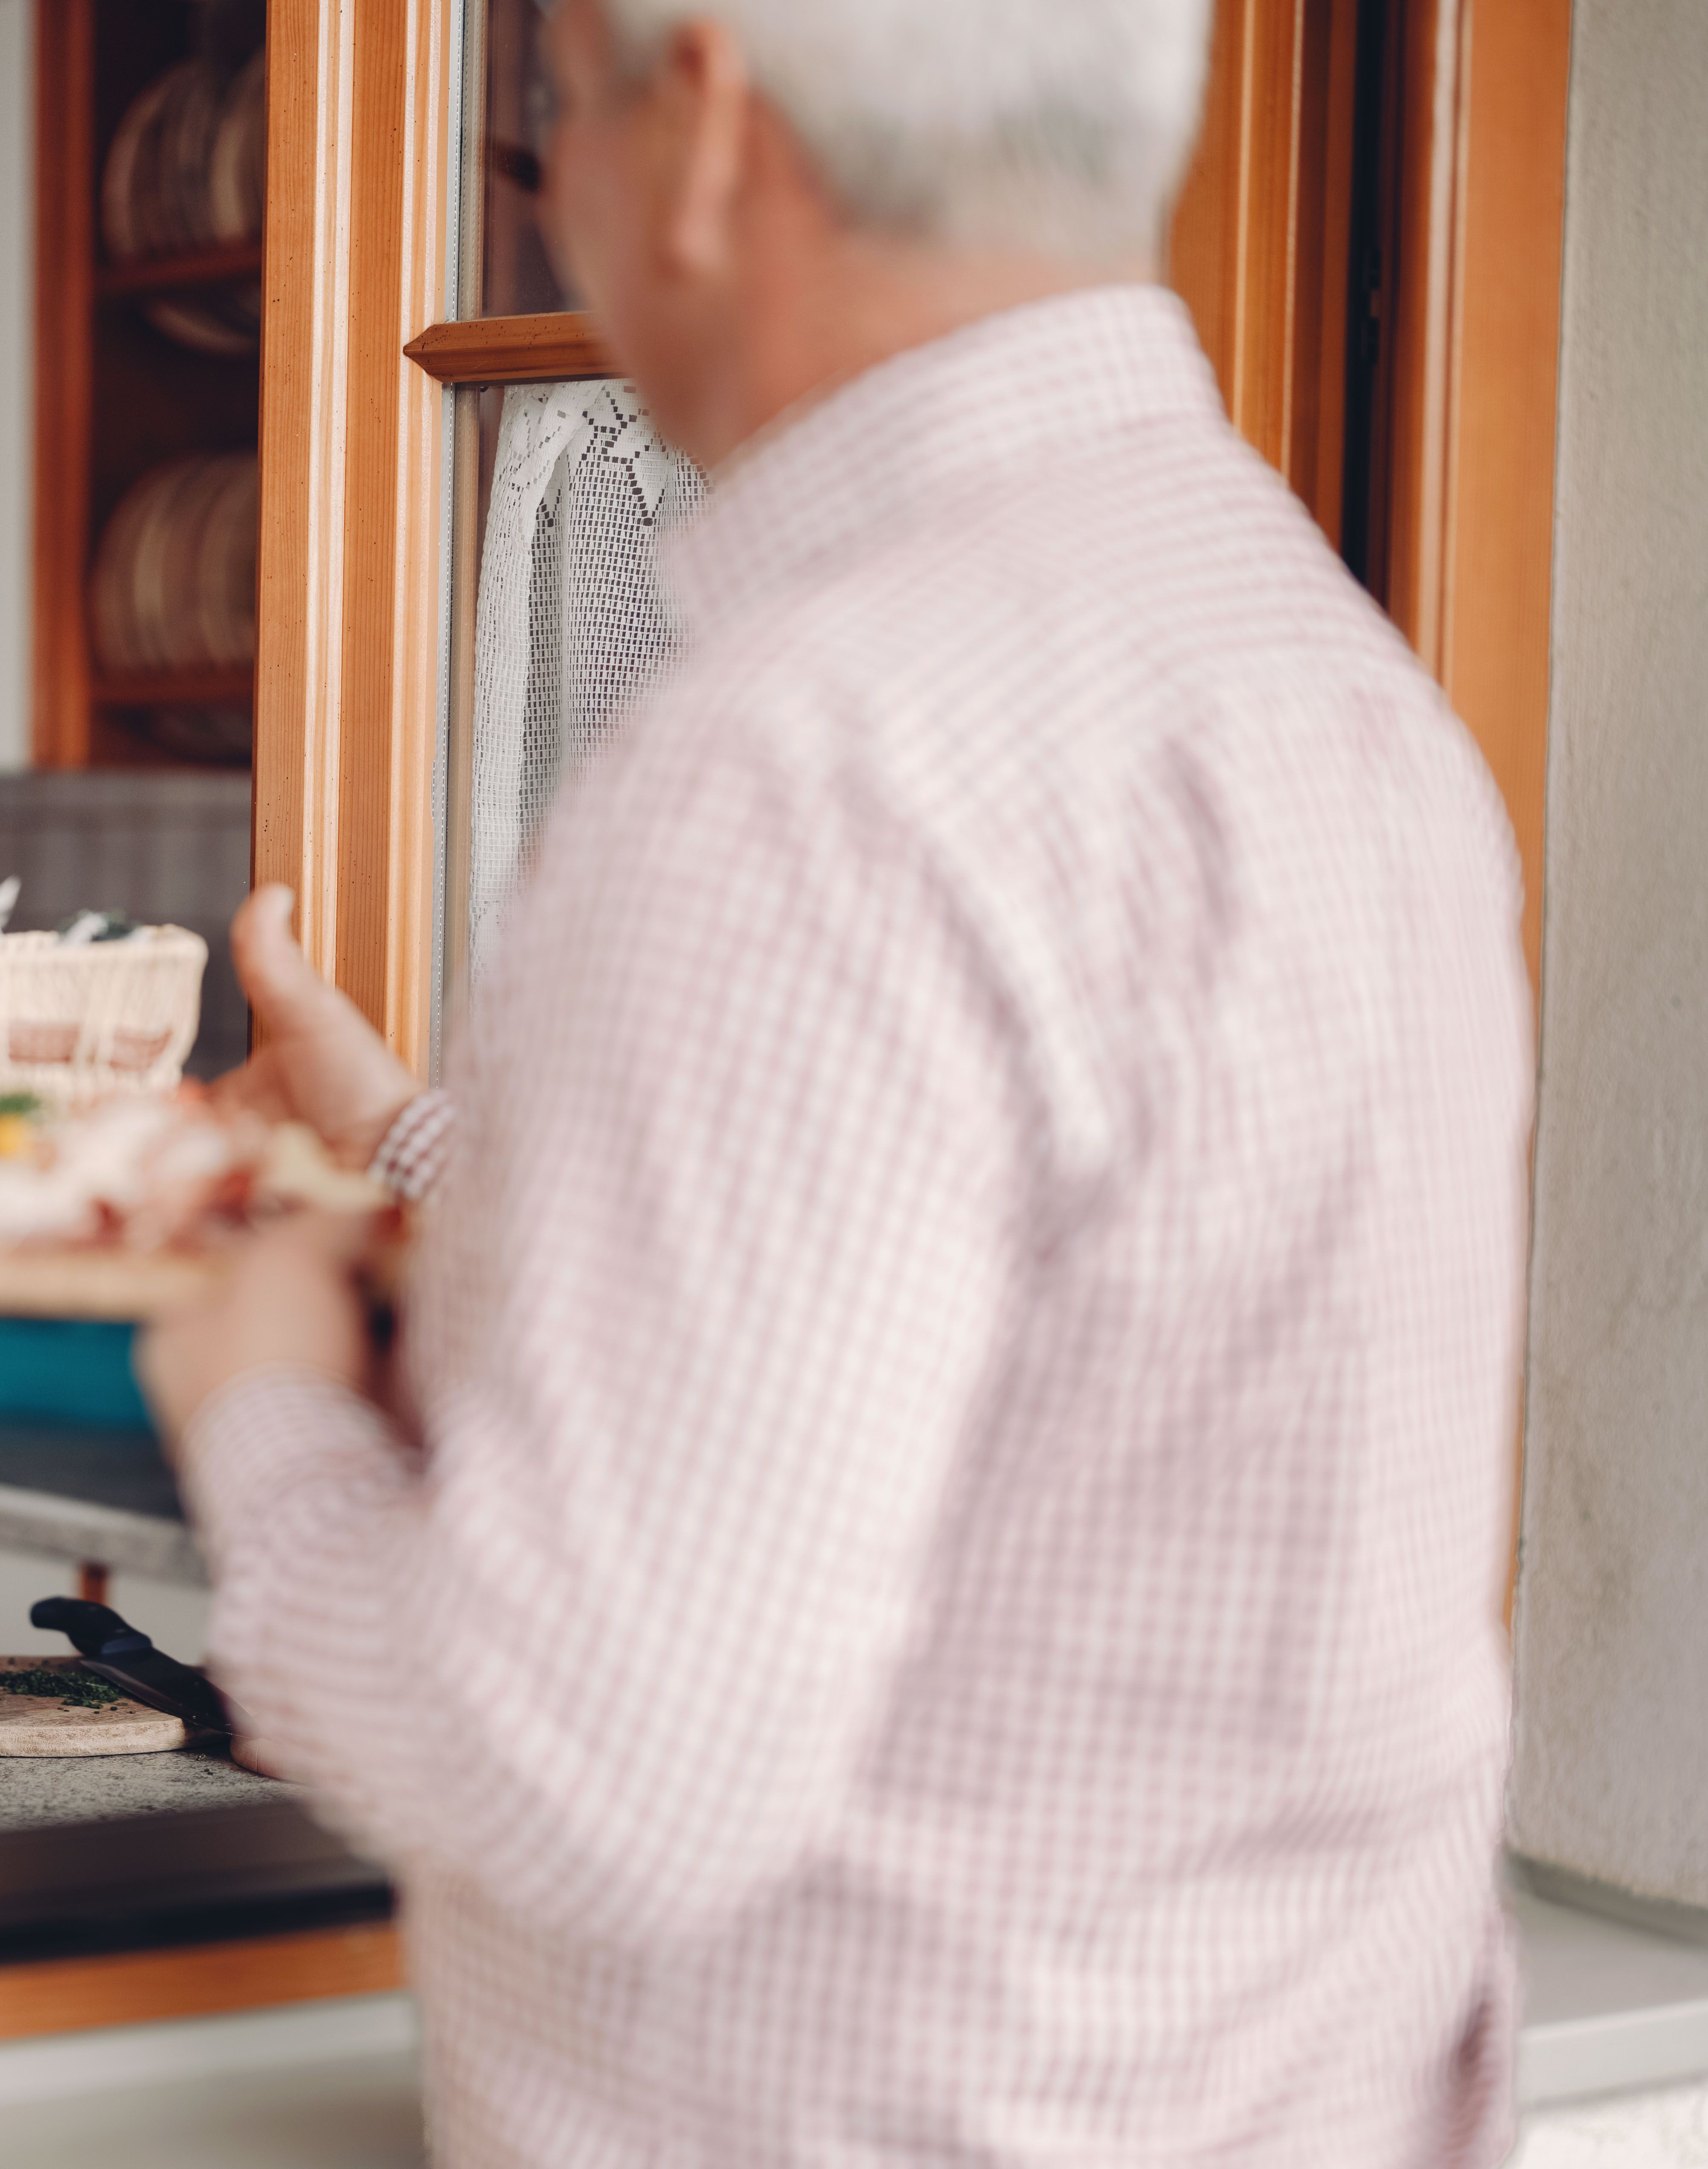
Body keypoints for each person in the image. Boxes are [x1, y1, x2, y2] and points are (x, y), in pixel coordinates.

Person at [144, 2, 1528, 2161]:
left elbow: (587, 1773)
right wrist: (419, 1149)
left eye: (546, 134)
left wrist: (254, 1392)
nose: (560, 209)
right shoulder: (1327, 679)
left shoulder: (796, 763)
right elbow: (1023, 1345)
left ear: (695, 128)